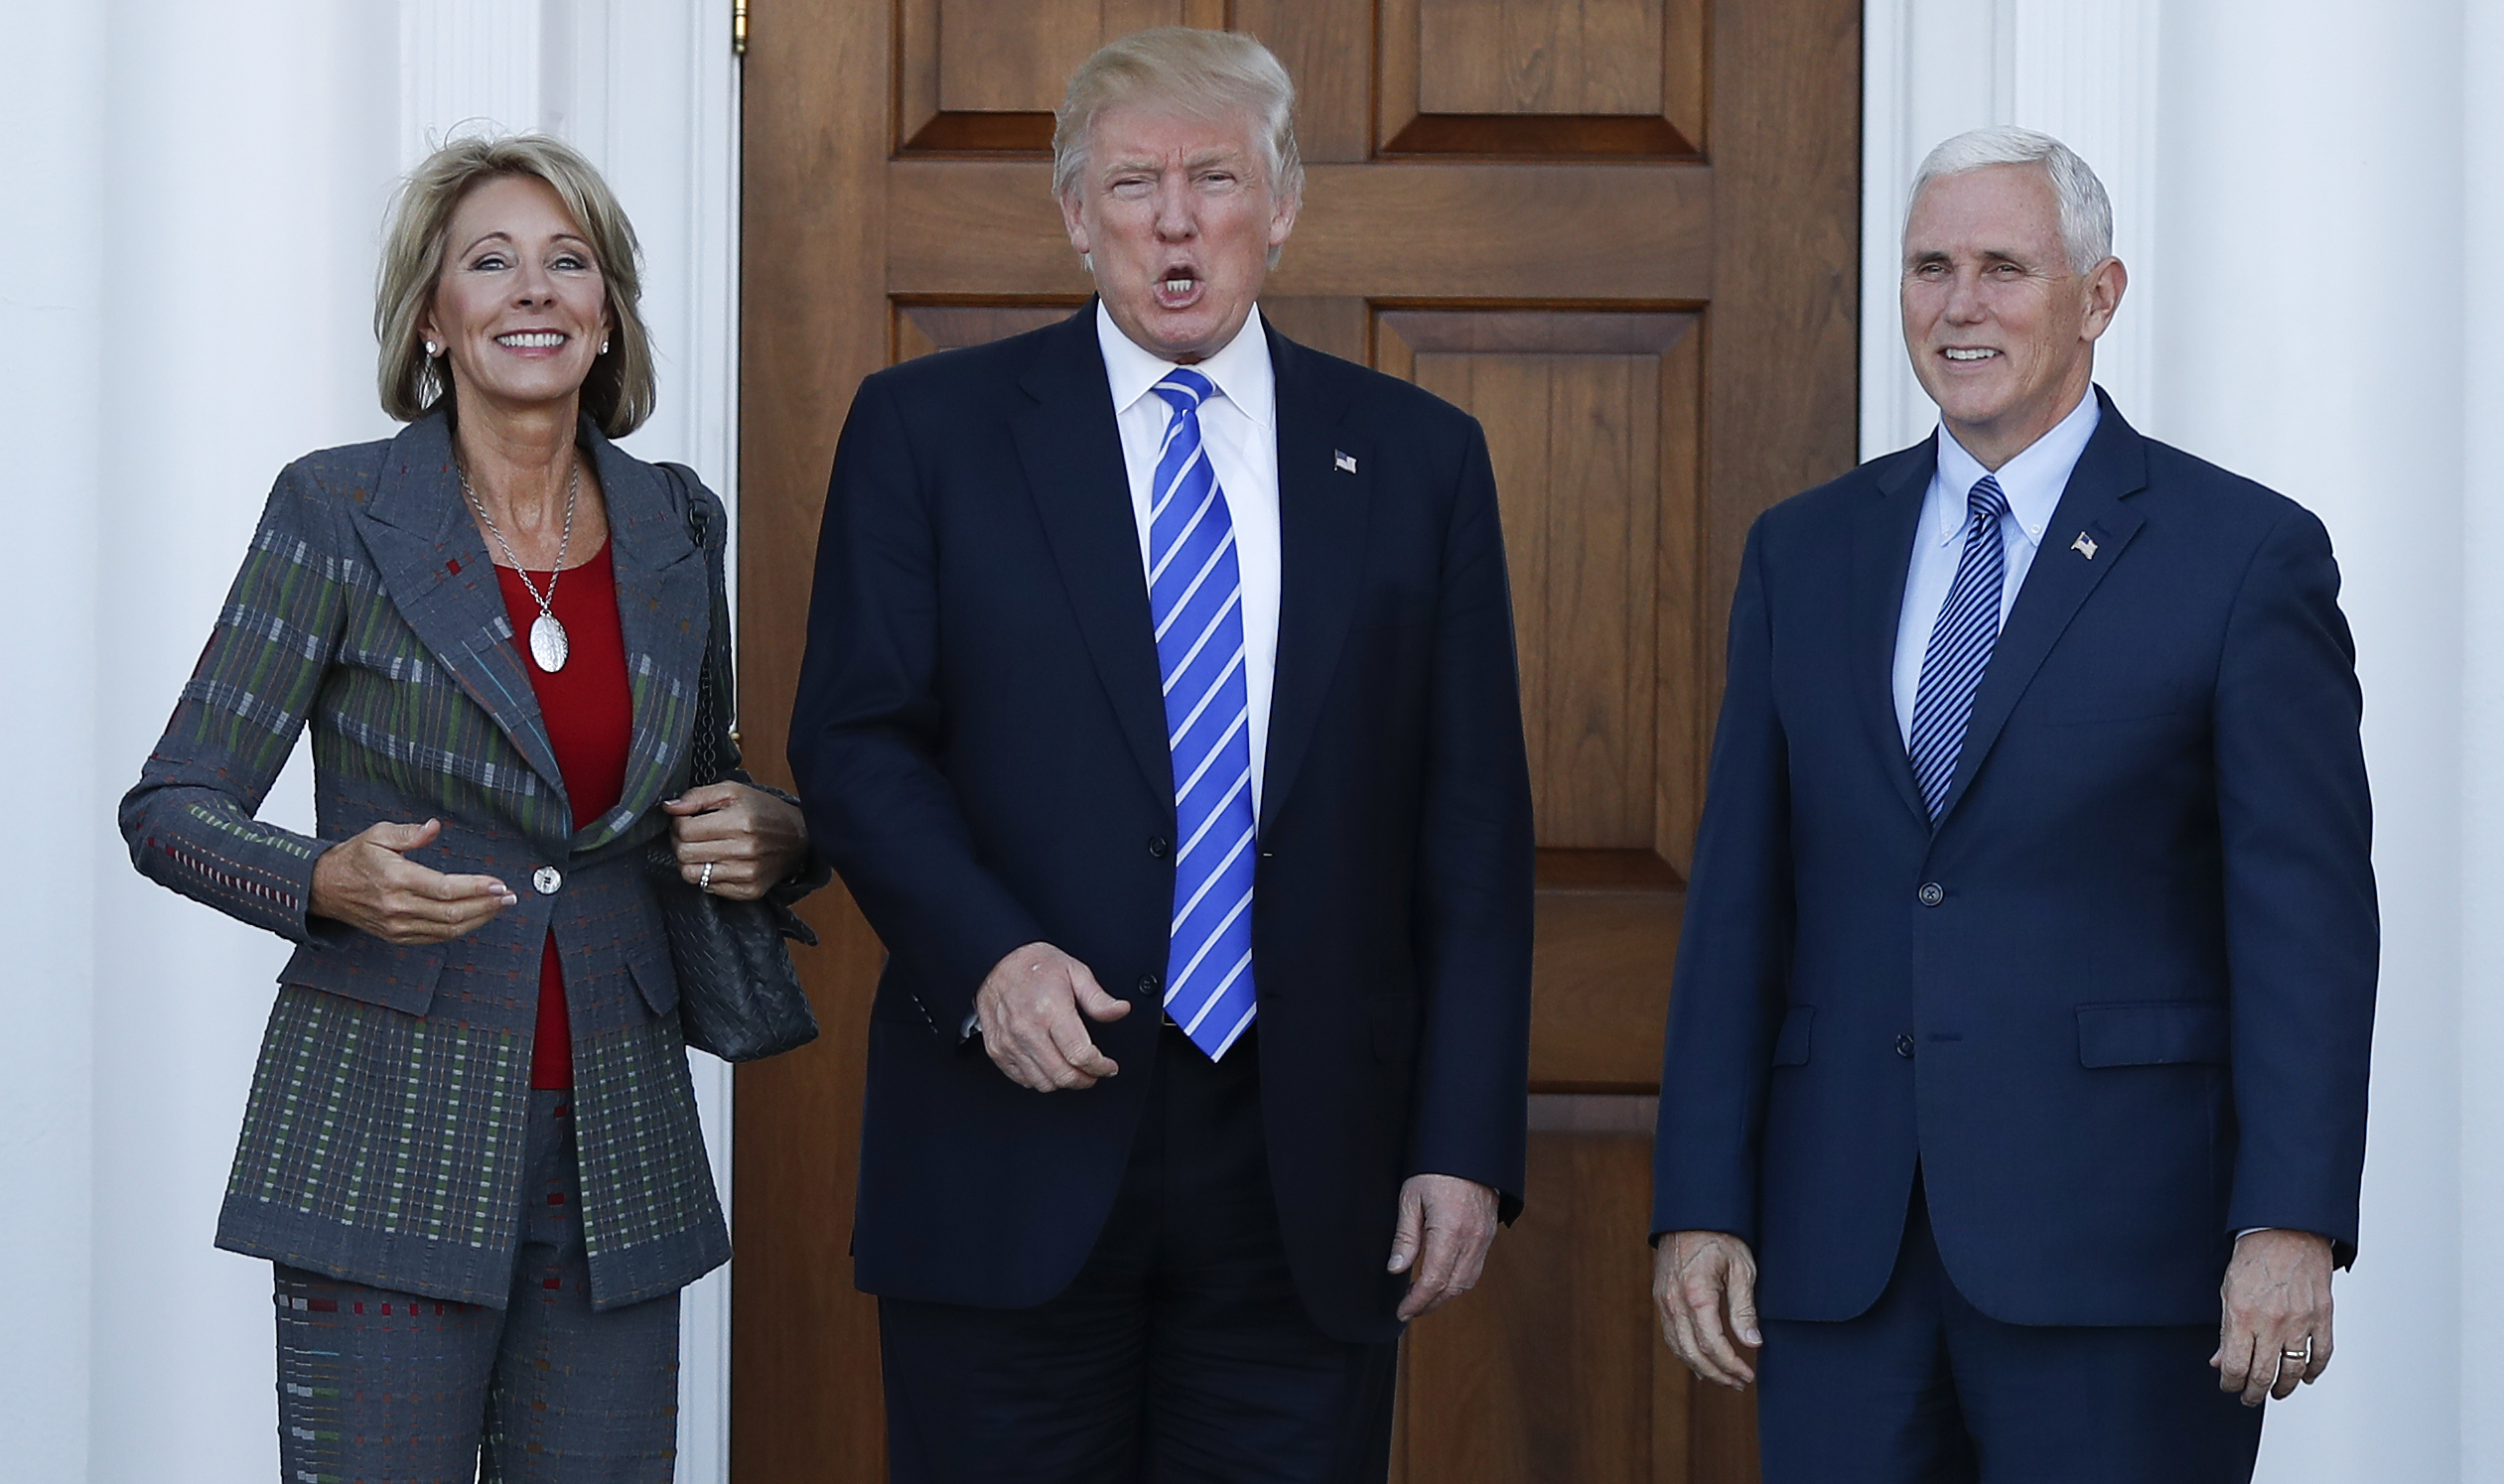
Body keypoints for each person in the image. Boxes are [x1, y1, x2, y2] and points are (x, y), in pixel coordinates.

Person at [786, 27, 1535, 1484]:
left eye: (1215, 178)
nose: (1175, 219)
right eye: (1133, 184)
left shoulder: (1415, 458)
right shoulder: (926, 431)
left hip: (1307, 1166)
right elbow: (857, 739)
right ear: (1076, 216)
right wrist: (986, 957)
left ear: (1283, 204)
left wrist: (1462, 1139)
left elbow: (1473, 828)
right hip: (1010, 1136)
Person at [1646, 126, 2377, 1483]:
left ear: (2096, 297)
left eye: (2001, 268)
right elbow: (1741, 896)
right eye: (1929, 268)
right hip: (1837, 1253)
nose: (1958, 306)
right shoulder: (1804, 550)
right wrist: (1698, 1199)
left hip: (2121, 1255)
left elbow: (2304, 926)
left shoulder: (2241, 555)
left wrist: (2288, 1221)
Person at [119, 133, 817, 1481]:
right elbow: (173, 804)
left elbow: (698, 786)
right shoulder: (337, 509)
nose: (533, 291)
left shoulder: (679, 524)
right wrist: (325, 880)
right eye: (488, 263)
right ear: (432, 318)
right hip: (385, 1137)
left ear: (609, 311)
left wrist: (786, 834)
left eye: (569, 262)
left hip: (616, 1147)